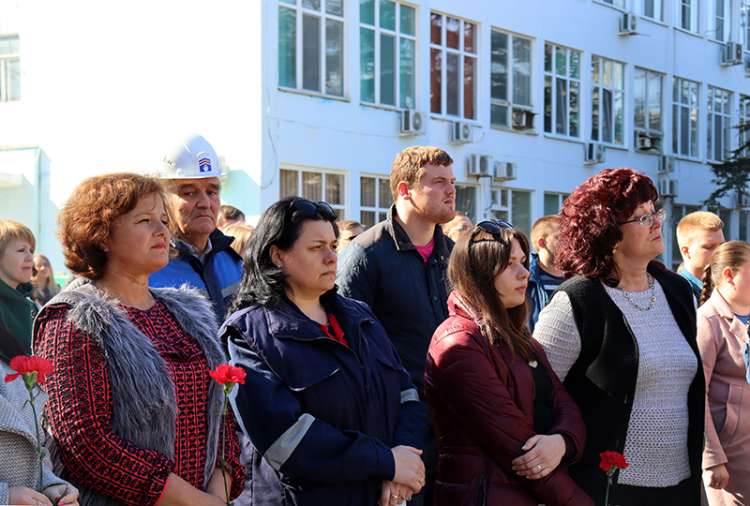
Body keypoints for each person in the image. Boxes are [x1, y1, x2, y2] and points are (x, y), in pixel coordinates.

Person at [34, 173, 244, 506]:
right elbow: (84, 442)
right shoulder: (73, 319)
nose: (163, 230)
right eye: (145, 220)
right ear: (101, 236)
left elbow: (222, 415)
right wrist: (194, 501)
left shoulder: (189, 311)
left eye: (163, 219)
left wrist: (219, 491)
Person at [221, 197, 429, 505]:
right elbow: (286, 440)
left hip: (381, 494)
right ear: (278, 256)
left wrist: (403, 461)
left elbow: (406, 394)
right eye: (316, 248)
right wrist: (386, 461)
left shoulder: (361, 317)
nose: (332, 258)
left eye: (333, 245)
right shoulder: (248, 334)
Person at [533, 168, 704, 506]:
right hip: (606, 489)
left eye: (655, 212)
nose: (657, 223)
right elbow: (537, 393)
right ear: (608, 235)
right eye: (642, 218)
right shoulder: (578, 301)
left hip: (680, 486)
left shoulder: (677, 291)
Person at [424, 219, 592, 506]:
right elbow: (519, 450)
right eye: (510, 264)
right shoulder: (459, 343)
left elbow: (566, 405)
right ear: (480, 273)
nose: (524, 273)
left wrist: (562, 441)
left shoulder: (517, 337)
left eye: (524, 262)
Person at [337, 145, 456, 504]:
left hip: (452, 424)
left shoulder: (452, 253)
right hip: (394, 428)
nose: (451, 190)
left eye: (452, 181)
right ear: (405, 190)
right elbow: (347, 347)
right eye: (438, 182)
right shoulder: (365, 254)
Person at [0, 220, 79, 506]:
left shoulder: (28, 306)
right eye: (20, 250)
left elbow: (32, 442)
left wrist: (50, 483)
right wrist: (5, 495)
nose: (29, 259)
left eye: (31, 250)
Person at [149, 134, 243, 319]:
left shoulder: (233, 262)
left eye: (212, 191)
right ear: (163, 200)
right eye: (189, 192)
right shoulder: (147, 268)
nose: (205, 203)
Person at [696, 241, 750, 505]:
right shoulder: (707, 322)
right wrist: (712, 457)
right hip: (730, 459)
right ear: (730, 275)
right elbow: (697, 395)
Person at [527, 215, 566, 332]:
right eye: (560, 237)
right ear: (542, 242)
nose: (568, 243)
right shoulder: (527, 280)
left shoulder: (577, 278)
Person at [676, 211, 725, 301]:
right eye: (709, 247)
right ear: (686, 251)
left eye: (722, 245)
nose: (719, 252)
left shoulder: (727, 289)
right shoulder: (675, 294)